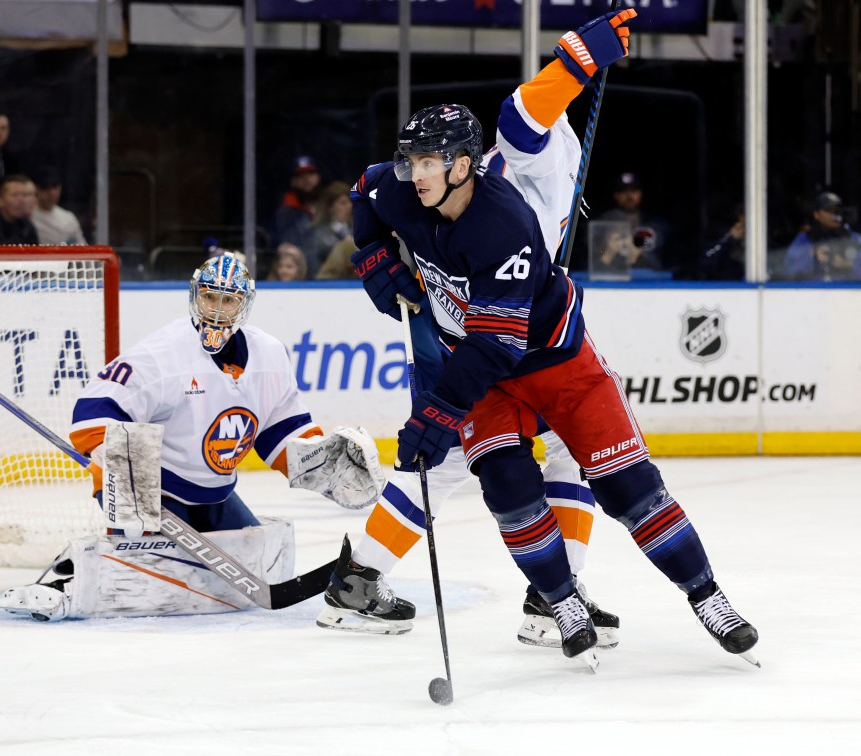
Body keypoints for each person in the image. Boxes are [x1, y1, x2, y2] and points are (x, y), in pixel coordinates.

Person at [324, 9, 759, 669]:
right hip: (474, 349)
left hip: (521, 347)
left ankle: (562, 595)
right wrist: (375, 261)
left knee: (597, 475)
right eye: (415, 162)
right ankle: (543, 595)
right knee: (470, 471)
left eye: (430, 162)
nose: (417, 173)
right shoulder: (465, 171)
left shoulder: (507, 208)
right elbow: (381, 182)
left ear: (465, 163)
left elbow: (525, 118)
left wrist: (581, 59)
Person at [318, 20, 634, 649]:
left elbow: (371, 186)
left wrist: (377, 262)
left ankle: (368, 582)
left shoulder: (483, 171)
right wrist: (577, 61)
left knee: (464, 455)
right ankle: (549, 600)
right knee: (466, 451)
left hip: (481, 330)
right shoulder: (537, 151)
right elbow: (522, 117)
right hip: (485, 344)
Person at [0, 253, 384, 621]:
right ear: (195, 296)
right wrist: (113, 466)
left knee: (251, 559)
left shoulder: (271, 356)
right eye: (209, 297)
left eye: (227, 301)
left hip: (216, 493)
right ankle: (64, 582)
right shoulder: (163, 355)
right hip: (151, 493)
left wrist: (320, 465)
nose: (216, 309)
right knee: (145, 577)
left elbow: (280, 431)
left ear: (244, 306)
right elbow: (93, 409)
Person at [782, 191, 861, 281]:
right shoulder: (804, 239)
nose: (834, 214)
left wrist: (850, 266)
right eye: (828, 210)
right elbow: (788, 272)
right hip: (814, 292)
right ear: (817, 215)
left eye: (837, 210)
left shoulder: (855, 239)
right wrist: (813, 259)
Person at [596, 172, 665, 271]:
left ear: (641, 194)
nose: (629, 196)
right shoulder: (601, 223)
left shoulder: (655, 224)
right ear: (616, 195)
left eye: (634, 191)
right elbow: (589, 266)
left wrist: (640, 253)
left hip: (649, 281)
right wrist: (609, 253)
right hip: (610, 280)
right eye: (623, 191)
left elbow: (666, 265)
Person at [300, 181, 353, 277]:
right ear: (330, 207)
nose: (349, 206)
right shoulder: (316, 235)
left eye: (350, 201)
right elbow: (313, 269)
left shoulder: (358, 232)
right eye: (343, 203)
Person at [30, 167, 88, 245]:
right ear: (36, 189)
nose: (51, 193)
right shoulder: (27, 217)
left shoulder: (68, 218)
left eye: (54, 187)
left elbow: (81, 248)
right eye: (45, 188)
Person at [274, 155, 321, 247]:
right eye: (300, 175)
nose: (306, 179)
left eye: (310, 173)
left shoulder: (327, 202)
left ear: (318, 177)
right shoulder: (286, 211)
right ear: (293, 181)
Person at [0, 174, 39, 244]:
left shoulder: (25, 223)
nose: (22, 201)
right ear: (0, 200)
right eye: (15, 195)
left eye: (26, 195)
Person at [698, 205, 745, 281]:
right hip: (724, 286)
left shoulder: (760, 241)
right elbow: (706, 262)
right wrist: (729, 239)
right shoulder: (721, 239)